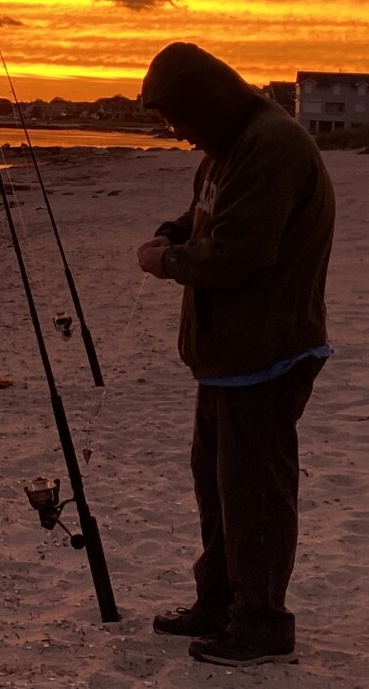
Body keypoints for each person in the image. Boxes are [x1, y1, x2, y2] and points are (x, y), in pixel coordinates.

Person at [135, 42, 335, 668]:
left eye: (180, 118)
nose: (179, 133)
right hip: (226, 356)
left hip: (269, 352)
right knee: (215, 485)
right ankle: (221, 601)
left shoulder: (271, 144)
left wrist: (166, 262)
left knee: (253, 492)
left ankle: (262, 622)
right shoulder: (229, 145)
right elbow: (208, 217)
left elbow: (239, 252)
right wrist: (174, 232)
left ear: (209, 101)